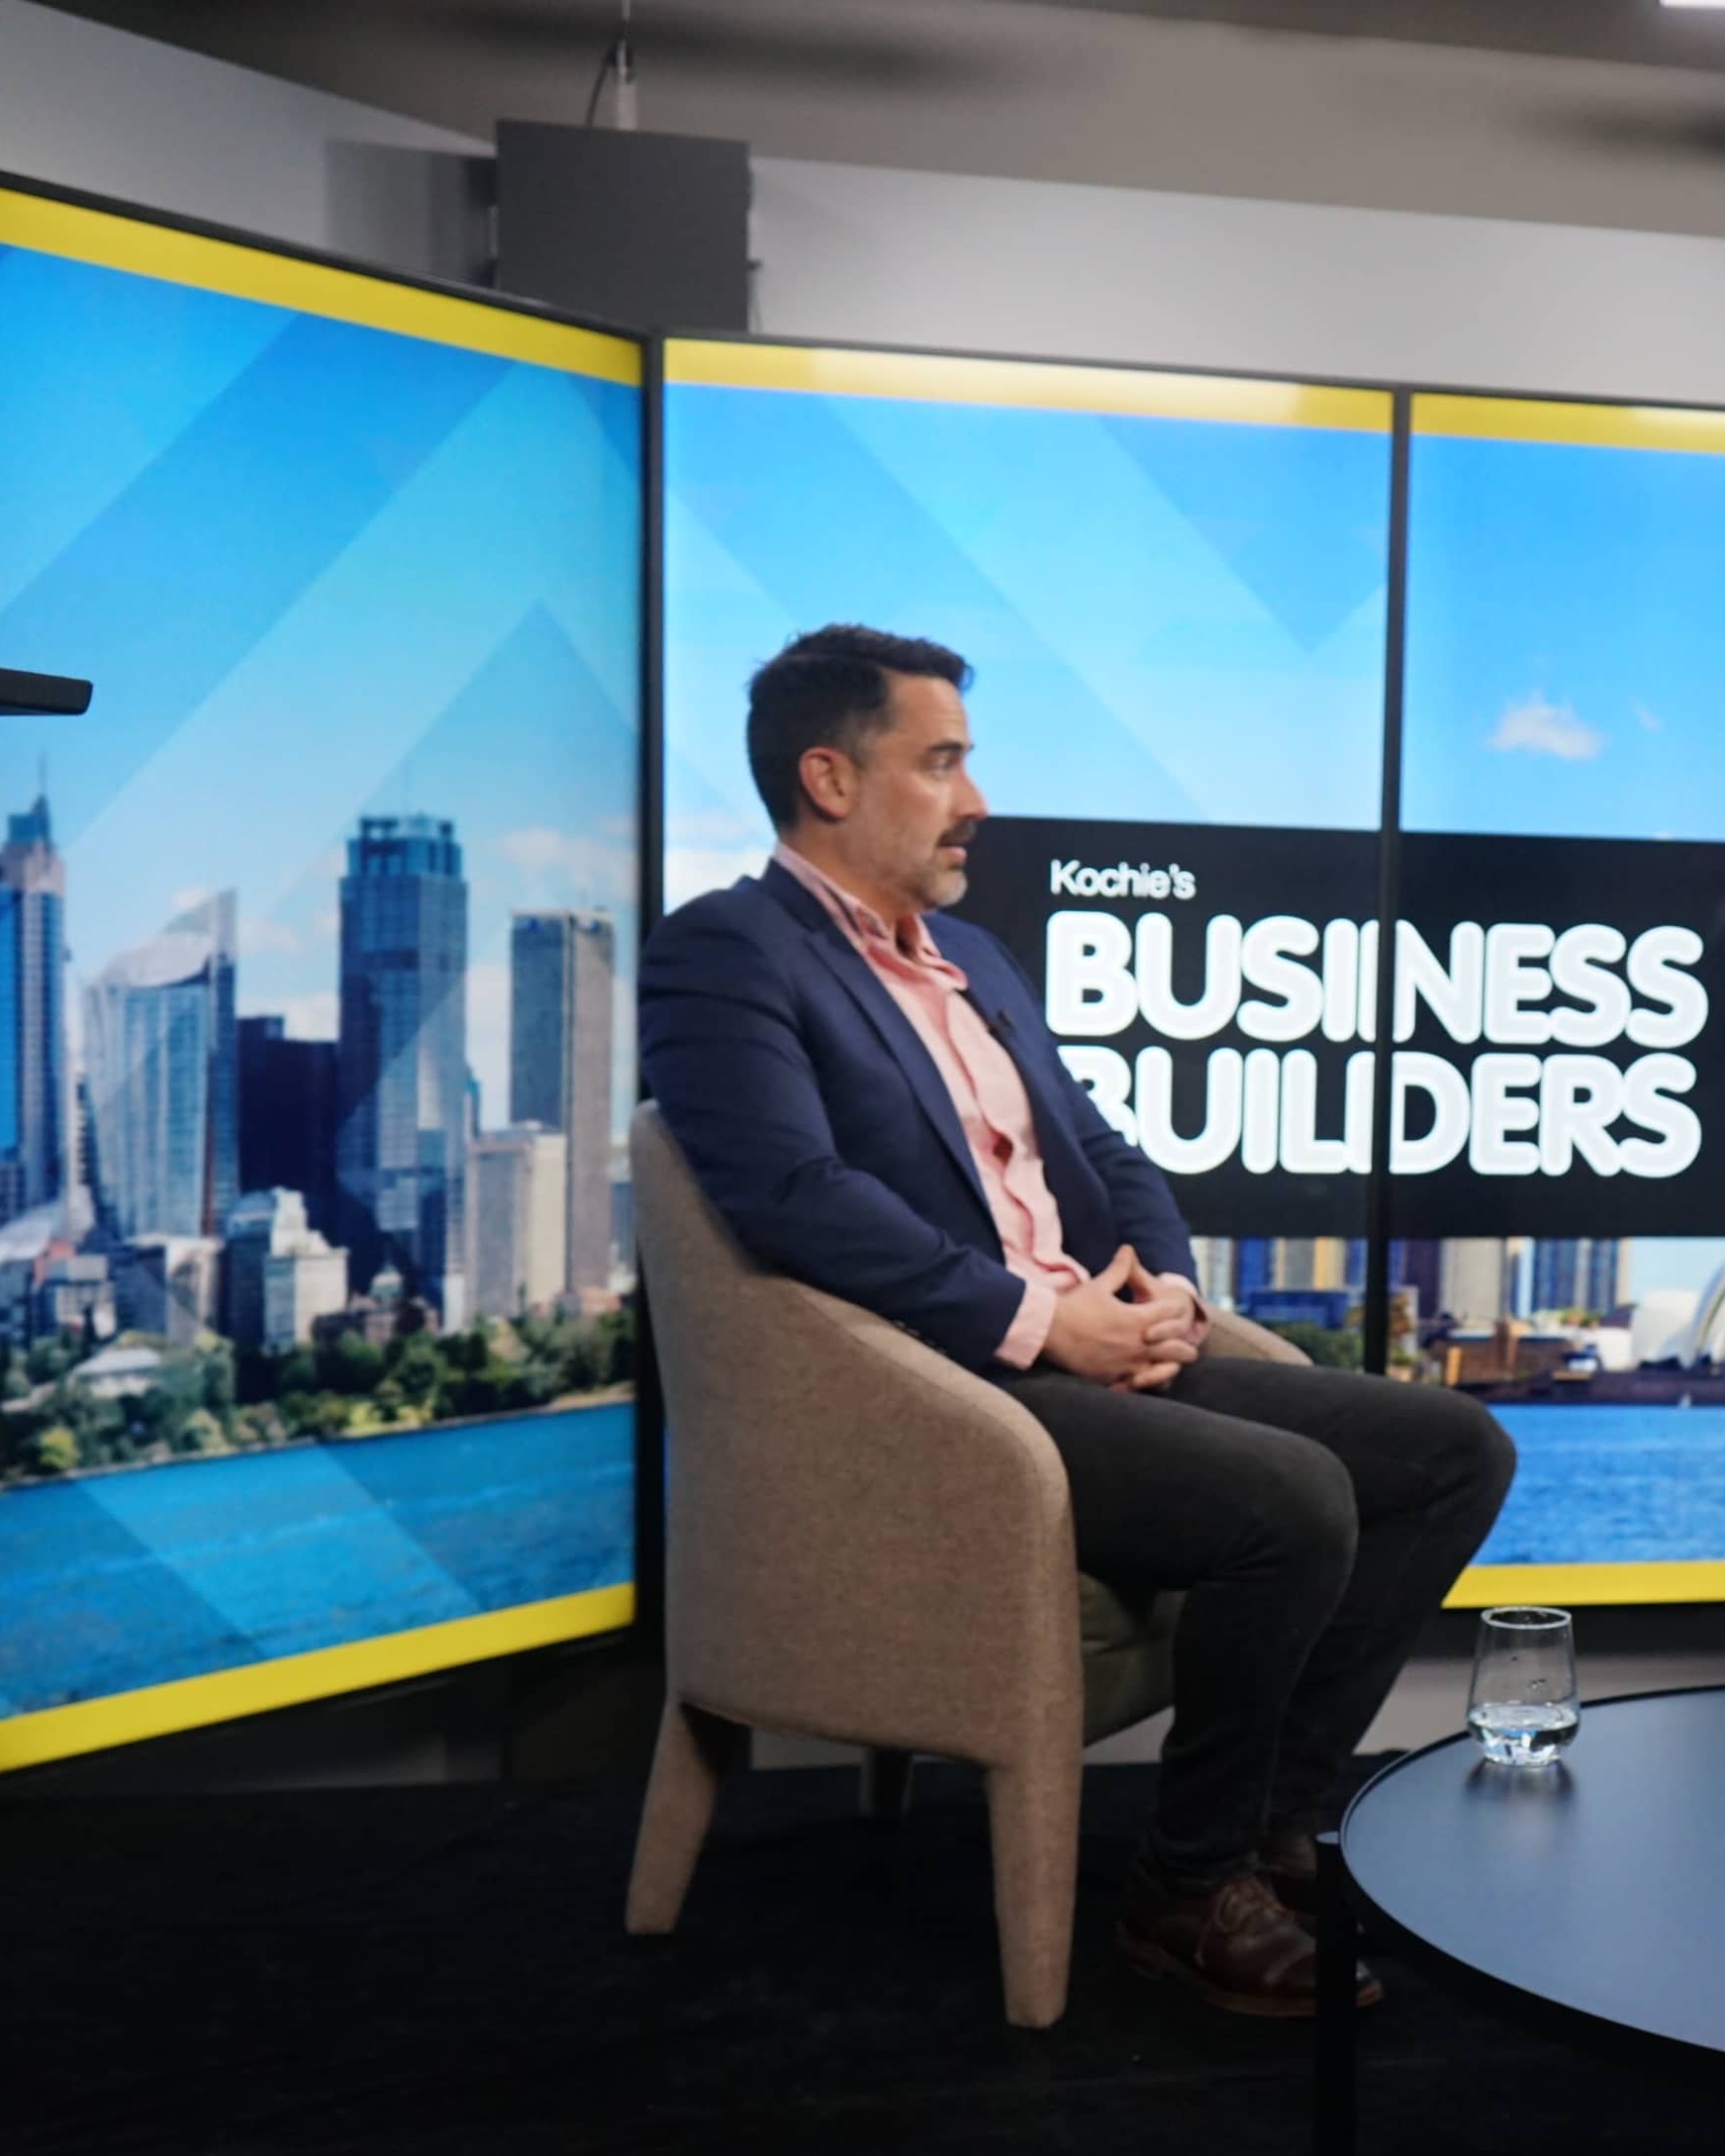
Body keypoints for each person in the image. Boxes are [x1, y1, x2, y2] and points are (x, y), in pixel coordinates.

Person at [639, 623, 1516, 2017]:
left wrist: (1164, 1288)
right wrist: (1045, 1329)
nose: (976, 798)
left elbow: (1100, 1156)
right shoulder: (726, 953)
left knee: (1453, 1448)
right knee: (1289, 1500)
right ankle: (1180, 1896)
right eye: (942, 763)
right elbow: (792, 1199)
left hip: (1091, 1358)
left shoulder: (975, 958)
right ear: (830, 777)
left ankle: (1268, 1835)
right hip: (941, 1399)